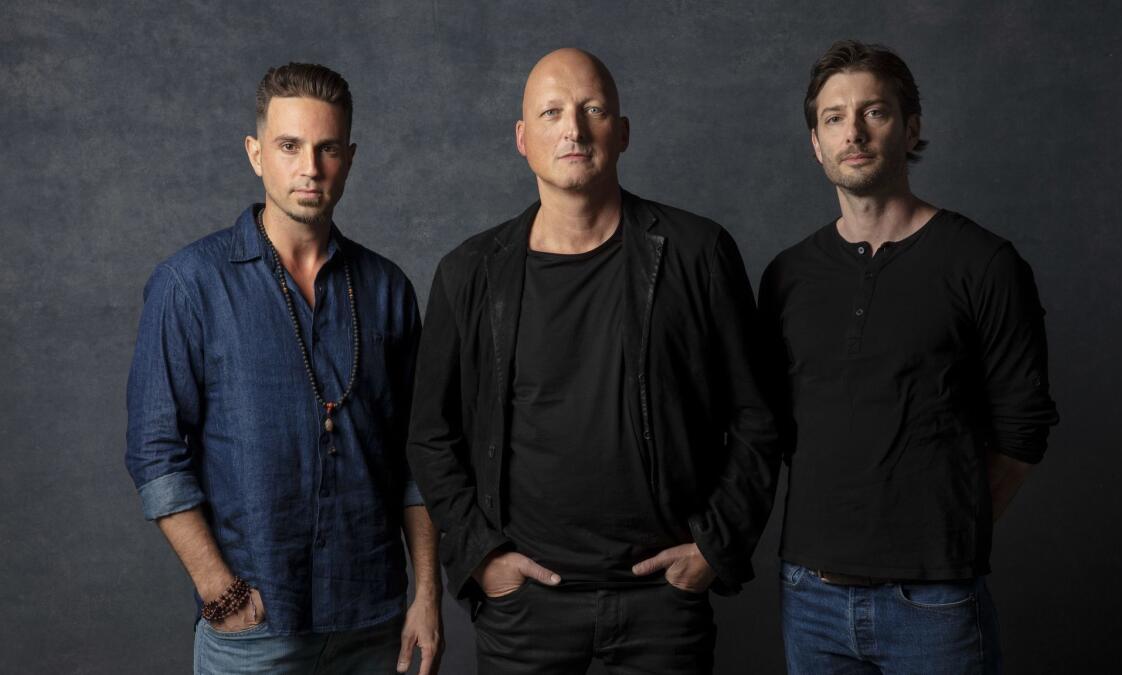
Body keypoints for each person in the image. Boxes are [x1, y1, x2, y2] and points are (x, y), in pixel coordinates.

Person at [406, 48, 778, 674]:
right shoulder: (469, 273)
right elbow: (430, 435)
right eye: (552, 113)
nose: (573, 130)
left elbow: (757, 417)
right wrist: (481, 557)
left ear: (623, 131)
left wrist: (714, 546)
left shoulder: (697, 252)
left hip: (662, 606)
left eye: (593, 109)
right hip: (524, 610)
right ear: (523, 139)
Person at [125, 63, 442, 674]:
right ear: (255, 153)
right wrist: (220, 591)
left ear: (349, 158)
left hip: (374, 624)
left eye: (327, 149)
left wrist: (426, 594)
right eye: (290, 146)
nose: (310, 167)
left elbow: (418, 458)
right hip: (254, 630)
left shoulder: (387, 290)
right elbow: (155, 452)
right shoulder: (190, 285)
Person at [759, 40, 1060, 674]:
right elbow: (773, 426)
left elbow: (1023, 427)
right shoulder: (787, 276)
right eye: (834, 117)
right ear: (815, 142)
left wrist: (949, 531)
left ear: (911, 127)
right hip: (809, 597)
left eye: (876, 112)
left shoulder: (983, 263)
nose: (854, 132)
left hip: (934, 602)